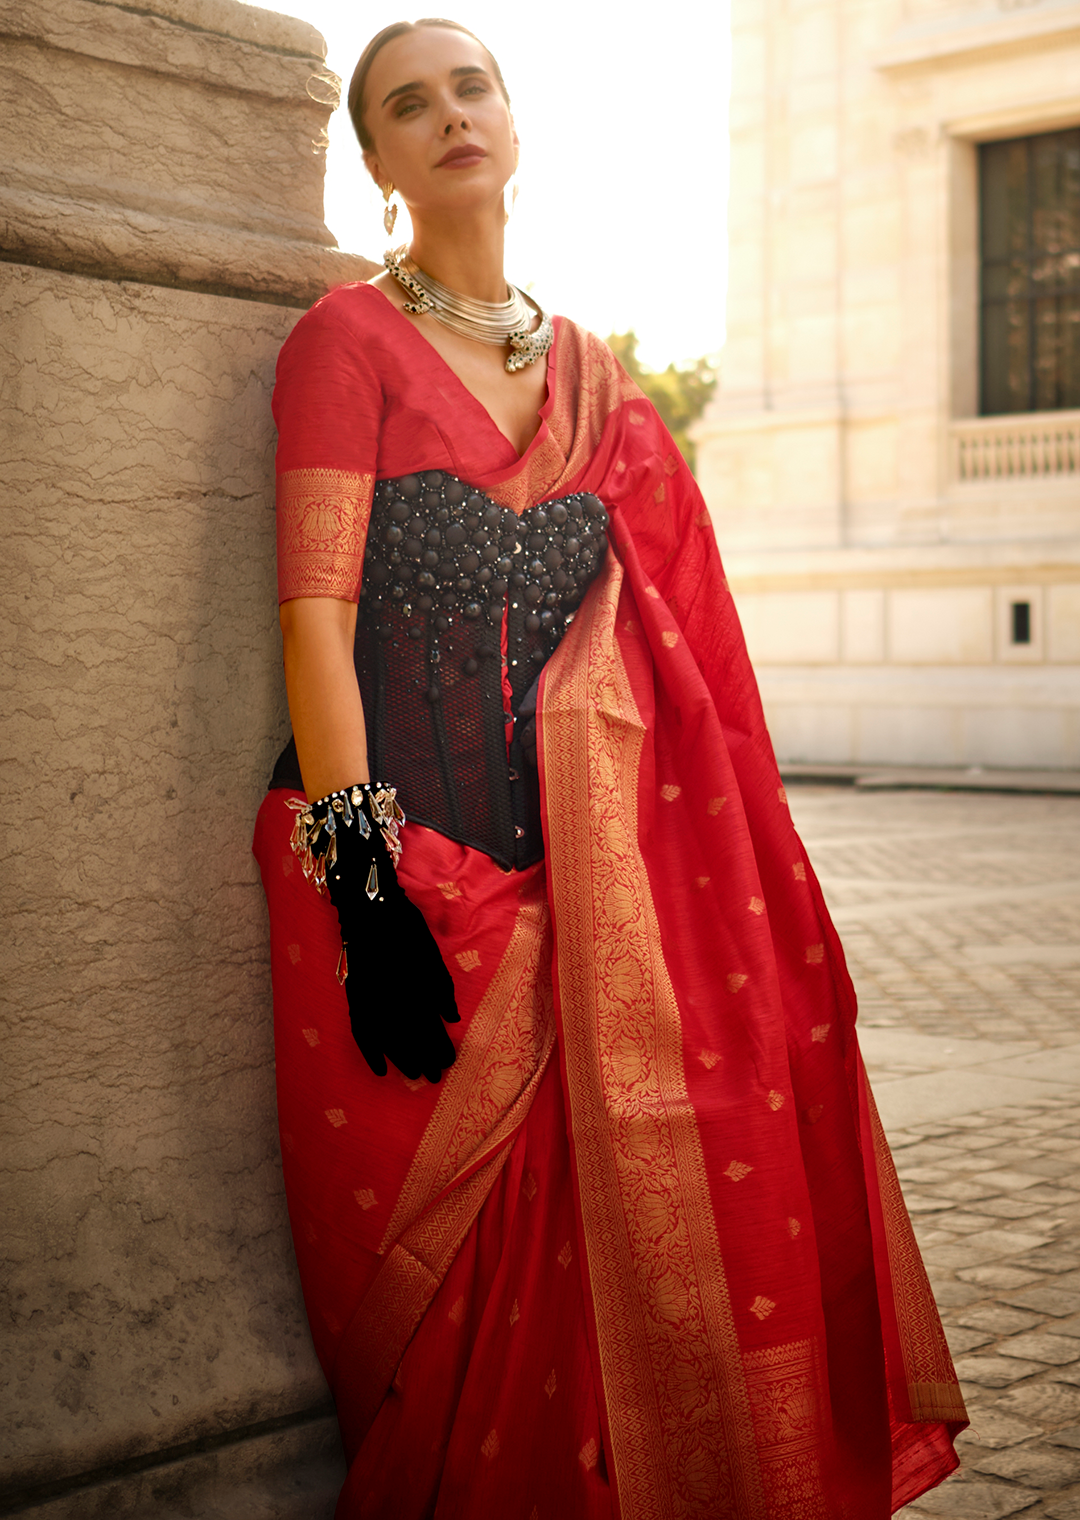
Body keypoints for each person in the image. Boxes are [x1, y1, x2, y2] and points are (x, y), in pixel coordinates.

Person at [252, 18, 967, 1518]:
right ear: (375, 160)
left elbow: (680, 652)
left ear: (514, 121)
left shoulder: (599, 381)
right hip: (410, 884)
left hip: (601, 897)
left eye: (473, 87)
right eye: (408, 105)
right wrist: (365, 883)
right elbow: (314, 624)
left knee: (628, 1272)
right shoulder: (346, 345)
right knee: (447, 1297)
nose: (450, 115)